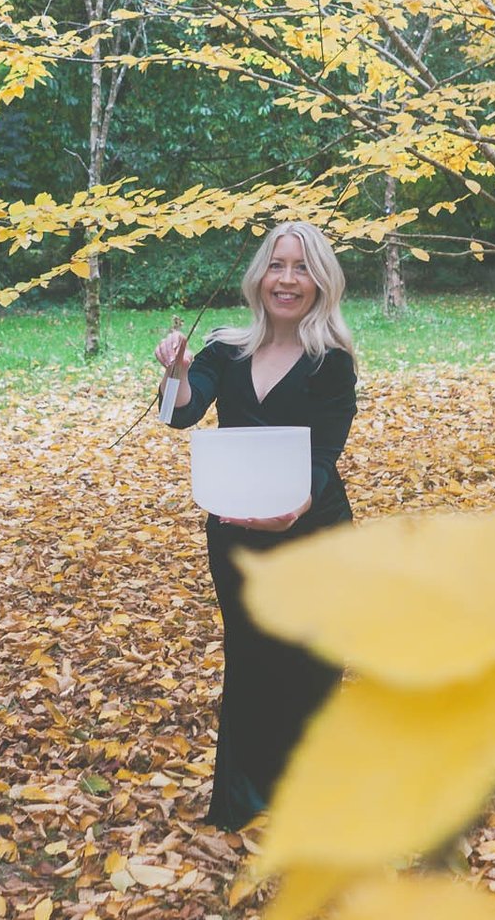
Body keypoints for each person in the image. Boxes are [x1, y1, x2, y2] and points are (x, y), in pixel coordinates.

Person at [154, 221, 358, 830]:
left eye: (301, 267)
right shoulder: (224, 347)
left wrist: (293, 510)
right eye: (277, 265)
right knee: (251, 659)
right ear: (259, 276)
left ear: (321, 281)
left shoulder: (332, 362)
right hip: (237, 531)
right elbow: (181, 415)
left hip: (313, 530)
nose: (287, 279)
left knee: (311, 661)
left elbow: (324, 457)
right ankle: (243, 802)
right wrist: (177, 371)